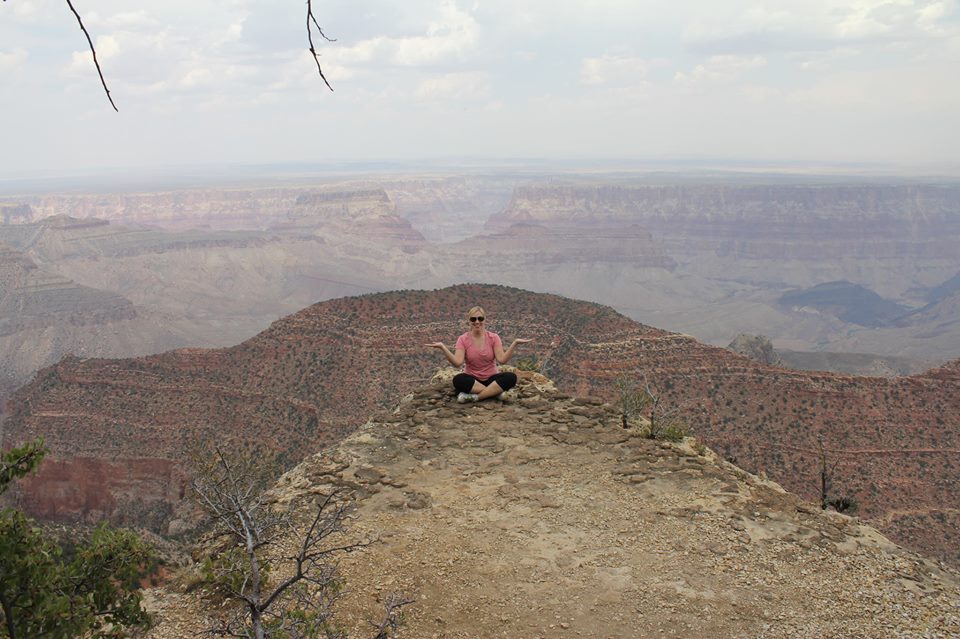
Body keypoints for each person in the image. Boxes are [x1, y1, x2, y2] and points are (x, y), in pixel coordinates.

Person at [425, 305, 533, 403]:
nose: (477, 322)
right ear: (469, 321)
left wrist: (514, 343)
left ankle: (476, 397)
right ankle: (495, 393)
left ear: (485, 319)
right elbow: (457, 363)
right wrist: (443, 347)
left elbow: (502, 360)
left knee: (511, 377)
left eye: (480, 318)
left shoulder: (493, 337)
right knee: (458, 380)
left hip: (491, 379)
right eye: (473, 319)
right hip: (473, 381)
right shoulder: (463, 339)